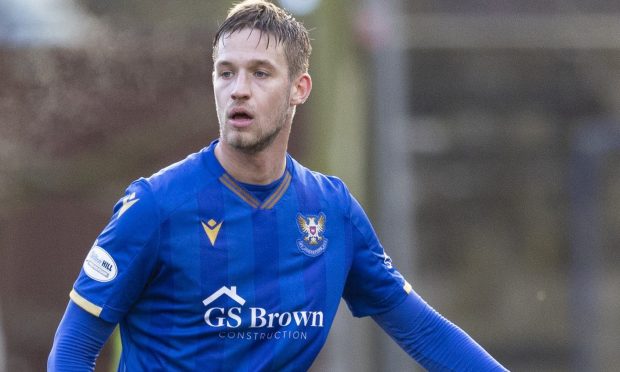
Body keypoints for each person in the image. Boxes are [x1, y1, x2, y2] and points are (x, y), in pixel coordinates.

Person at [48, 1, 508, 371]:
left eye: (260, 73)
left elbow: (424, 332)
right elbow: (71, 351)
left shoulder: (332, 211)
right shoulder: (156, 205)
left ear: (299, 88)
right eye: (226, 72)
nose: (238, 90)